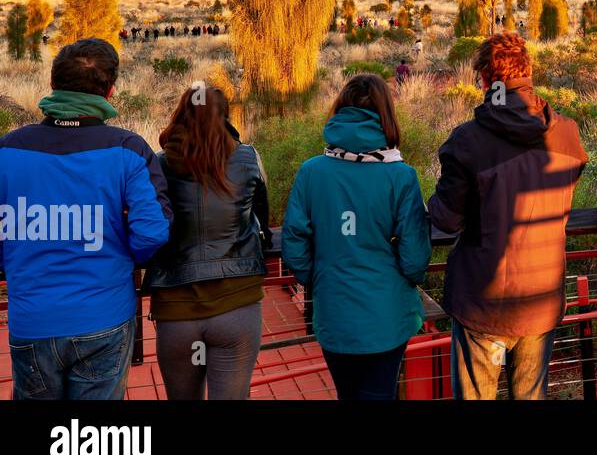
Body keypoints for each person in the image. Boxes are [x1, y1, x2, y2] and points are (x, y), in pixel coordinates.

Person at [0, 38, 172, 400]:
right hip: (104, 317)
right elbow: (153, 232)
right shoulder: (128, 149)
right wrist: (123, 250)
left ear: (52, 86)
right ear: (110, 91)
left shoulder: (8, 150)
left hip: (31, 320)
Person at [428, 33, 587, 400]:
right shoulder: (566, 134)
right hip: (541, 297)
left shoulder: (467, 142)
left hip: (482, 301)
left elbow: (447, 219)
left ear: (485, 79)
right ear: (528, 72)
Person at [282, 74, 431, 400]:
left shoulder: (311, 171)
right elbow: (415, 258)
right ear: (386, 115)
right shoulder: (401, 176)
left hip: (334, 310)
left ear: (340, 110)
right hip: (388, 315)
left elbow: (293, 239)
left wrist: (315, 277)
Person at [146, 85, 271, 399]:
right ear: (226, 116)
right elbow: (262, 220)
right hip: (237, 302)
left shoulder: (159, 164)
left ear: (181, 115)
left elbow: (152, 225)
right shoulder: (248, 157)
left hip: (176, 308)